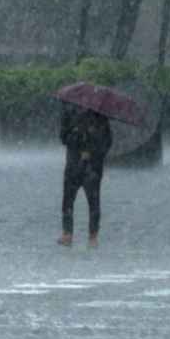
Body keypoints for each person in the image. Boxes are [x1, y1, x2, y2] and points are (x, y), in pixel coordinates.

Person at [58, 103, 112, 248]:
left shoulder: (100, 116)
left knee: (94, 202)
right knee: (68, 201)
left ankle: (93, 237)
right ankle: (67, 234)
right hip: (73, 165)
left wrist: (92, 151)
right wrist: (77, 136)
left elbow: (107, 142)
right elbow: (63, 137)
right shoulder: (69, 113)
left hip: (92, 167)